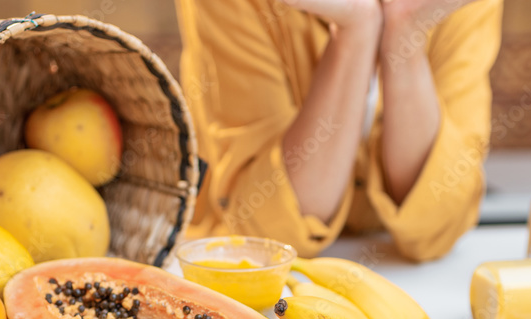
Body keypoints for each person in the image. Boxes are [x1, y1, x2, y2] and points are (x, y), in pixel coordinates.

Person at [175, 0, 503, 260]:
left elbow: (440, 225)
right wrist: (355, 30)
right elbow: (264, 237)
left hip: (399, 273)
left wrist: (406, 29)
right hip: (236, 268)